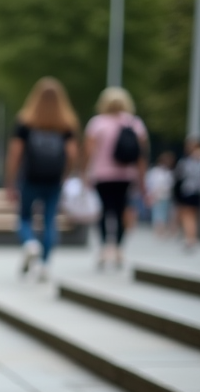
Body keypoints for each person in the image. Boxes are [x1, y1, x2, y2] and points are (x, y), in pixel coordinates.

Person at [3, 77, 79, 281]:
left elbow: (15, 153)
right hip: (53, 179)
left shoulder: (26, 121)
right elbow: (72, 154)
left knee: (25, 217)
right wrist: (66, 174)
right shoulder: (66, 123)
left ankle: (29, 243)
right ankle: (45, 264)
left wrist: (10, 180)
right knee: (49, 220)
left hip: (30, 177)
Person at [79, 87, 148, 269]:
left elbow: (89, 151)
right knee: (121, 210)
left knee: (103, 211)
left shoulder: (97, 123)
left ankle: (103, 248)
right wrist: (142, 180)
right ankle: (118, 248)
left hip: (102, 175)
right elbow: (140, 155)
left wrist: (84, 173)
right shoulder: (134, 123)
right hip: (126, 175)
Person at [175, 136, 200, 251]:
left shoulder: (191, 160)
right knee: (194, 215)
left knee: (188, 215)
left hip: (190, 190)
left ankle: (190, 238)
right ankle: (192, 237)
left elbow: (180, 173)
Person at [146, 151, 176, 238]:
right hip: (156, 195)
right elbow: (150, 183)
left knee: (164, 212)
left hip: (166, 196)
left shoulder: (169, 172)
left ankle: (162, 229)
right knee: (157, 212)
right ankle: (159, 229)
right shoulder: (155, 171)